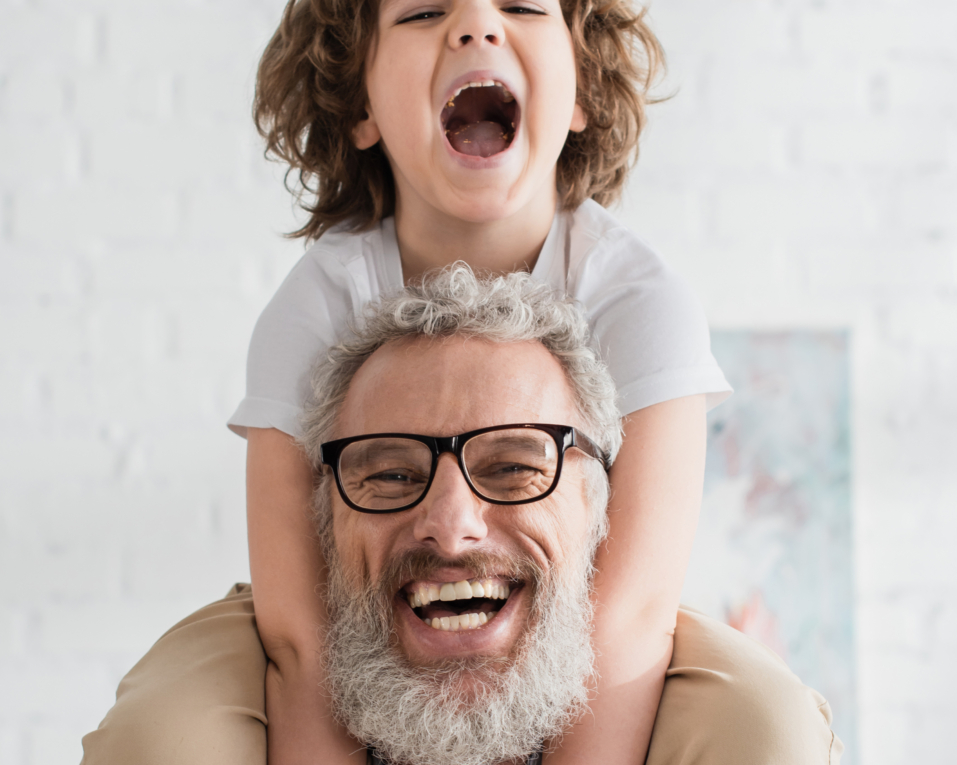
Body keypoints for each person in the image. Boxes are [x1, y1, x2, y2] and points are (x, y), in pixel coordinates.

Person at [227, 0, 732, 762]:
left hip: (588, 640)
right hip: (353, 632)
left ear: (583, 92)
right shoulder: (314, 307)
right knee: (163, 733)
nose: (474, 25)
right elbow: (300, 634)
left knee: (770, 726)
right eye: (424, 10)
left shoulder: (642, 304)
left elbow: (629, 617)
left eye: (523, 5)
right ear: (359, 105)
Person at [81, 268, 843, 764]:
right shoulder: (308, 302)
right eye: (388, 473)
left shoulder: (640, 296)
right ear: (324, 525)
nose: (451, 525)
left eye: (514, 466)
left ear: (599, 510)